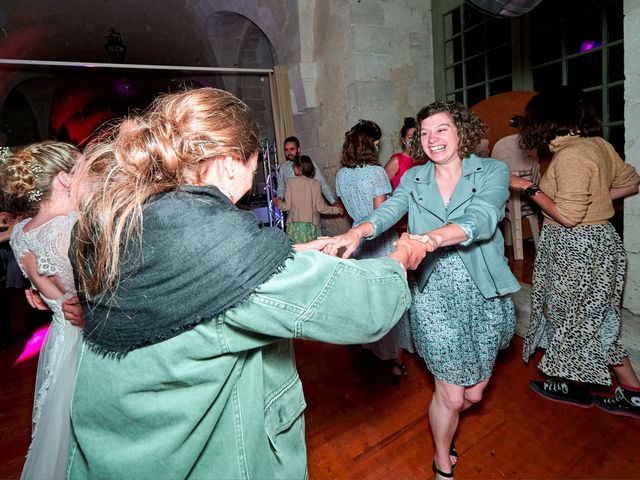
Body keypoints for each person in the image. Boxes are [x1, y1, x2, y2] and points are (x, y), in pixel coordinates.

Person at [66, 88, 428, 479]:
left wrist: (297, 251)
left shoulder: (125, 217)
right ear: (227, 164)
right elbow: (362, 309)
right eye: (253, 163)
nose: (254, 174)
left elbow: (208, 272)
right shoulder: (218, 243)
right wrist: (400, 260)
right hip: (205, 456)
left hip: (126, 439)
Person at [327, 103, 520, 479]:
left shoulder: (492, 170)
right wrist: (357, 231)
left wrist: (428, 239)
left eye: (441, 130)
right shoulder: (414, 178)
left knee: (472, 395)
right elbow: (388, 210)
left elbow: (482, 217)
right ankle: (441, 461)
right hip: (435, 295)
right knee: (449, 395)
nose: (432, 140)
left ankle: (446, 423)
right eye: (425, 133)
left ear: (460, 132)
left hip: (486, 291)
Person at [512, 86, 640, 418]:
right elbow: (631, 182)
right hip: (601, 242)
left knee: (577, 318)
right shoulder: (597, 145)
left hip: (576, 248)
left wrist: (527, 187)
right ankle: (624, 390)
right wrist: (595, 199)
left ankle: (584, 387)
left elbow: (567, 217)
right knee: (591, 318)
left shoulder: (571, 155)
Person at [0, 141, 84, 480]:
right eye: (83, 170)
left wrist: (36, 290)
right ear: (64, 179)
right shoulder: (74, 227)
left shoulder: (21, 232)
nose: (89, 176)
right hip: (85, 342)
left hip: (60, 338)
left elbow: (47, 280)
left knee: (56, 430)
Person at [336, 119, 415, 384]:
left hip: (355, 241)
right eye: (377, 141)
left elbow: (348, 210)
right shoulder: (375, 173)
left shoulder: (341, 175)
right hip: (379, 240)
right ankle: (395, 361)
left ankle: (364, 344)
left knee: (364, 298)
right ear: (372, 143)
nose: (380, 145)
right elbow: (382, 214)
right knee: (391, 299)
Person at [274, 155, 344, 243]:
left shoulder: (290, 182)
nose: (293, 168)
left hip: (295, 227)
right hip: (313, 227)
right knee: (312, 254)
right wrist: (336, 210)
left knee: (298, 255)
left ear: (299, 168)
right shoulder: (316, 184)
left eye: (294, 167)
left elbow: (287, 206)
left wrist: (278, 204)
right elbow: (321, 208)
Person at [276, 135, 337, 204]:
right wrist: (280, 198)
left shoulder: (308, 163)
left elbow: (322, 184)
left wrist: (333, 202)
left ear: (298, 149)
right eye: (286, 150)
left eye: (292, 149)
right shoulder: (283, 168)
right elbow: (281, 188)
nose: (289, 152)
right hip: (292, 210)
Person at [384, 116, 424, 189]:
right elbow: (379, 188)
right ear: (403, 140)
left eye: (417, 137)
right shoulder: (396, 161)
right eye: (410, 137)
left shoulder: (428, 159)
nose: (414, 141)